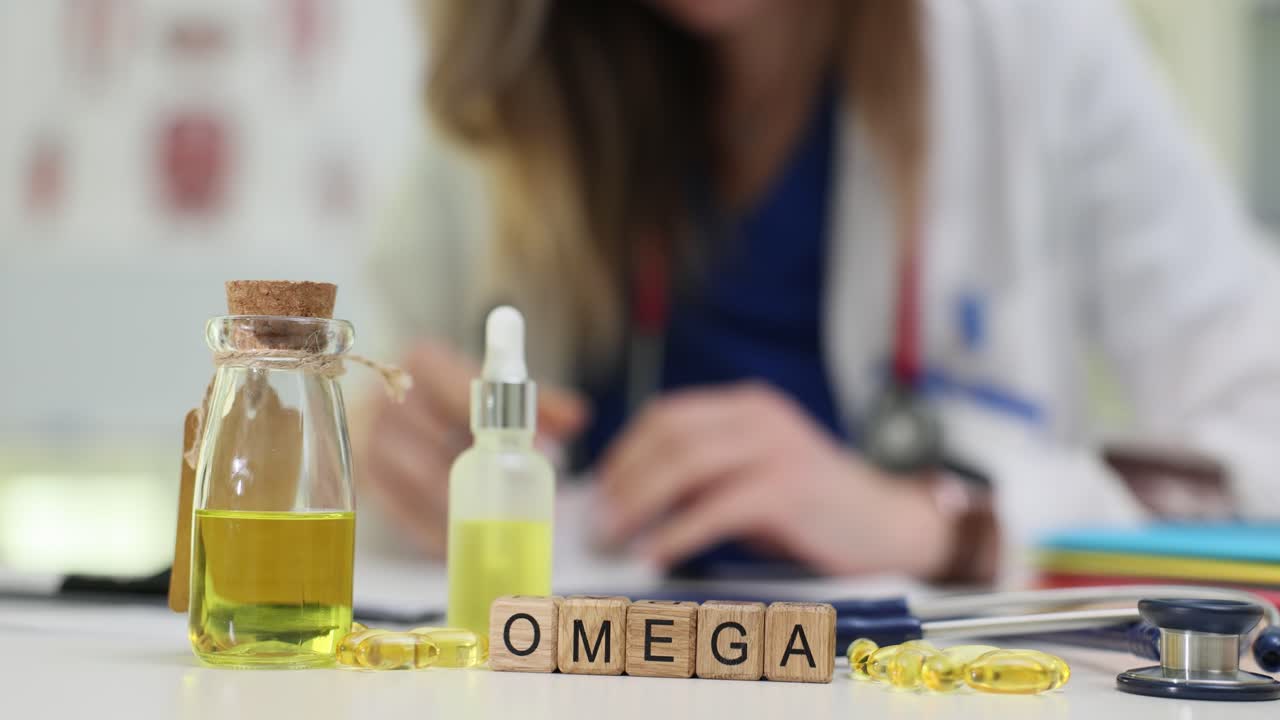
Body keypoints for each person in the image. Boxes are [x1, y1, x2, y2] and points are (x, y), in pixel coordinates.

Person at [358, 0, 1280, 582]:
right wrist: (383, 449)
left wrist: (945, 527)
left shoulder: (1035, 43)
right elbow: (385, 403)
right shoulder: (519, 70)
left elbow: (1262, 443)